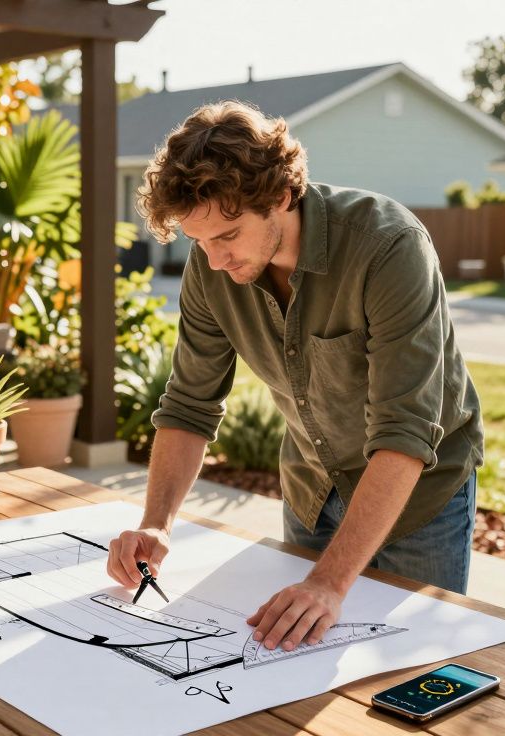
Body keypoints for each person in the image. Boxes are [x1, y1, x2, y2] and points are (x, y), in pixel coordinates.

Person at [105, 100, 484, 653]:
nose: (214, 261)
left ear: (281, 196)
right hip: (312, 490)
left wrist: (329, 582)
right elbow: (189, 405)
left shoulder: (388, 246)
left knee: (411, 666)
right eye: (198, 241)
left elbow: (405, 431)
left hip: (419, 500)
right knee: (293, 665)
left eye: (227, 235)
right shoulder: (211, 267)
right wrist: (157, 523)